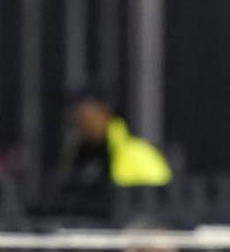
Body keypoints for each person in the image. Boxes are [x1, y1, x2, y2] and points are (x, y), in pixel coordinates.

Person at [49, 89, 173, 221]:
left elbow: (157, 210)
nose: (78, 120)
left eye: (84, 114)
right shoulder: (75, 155)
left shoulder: (140, 154)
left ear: (104, 111)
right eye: (76, 115)